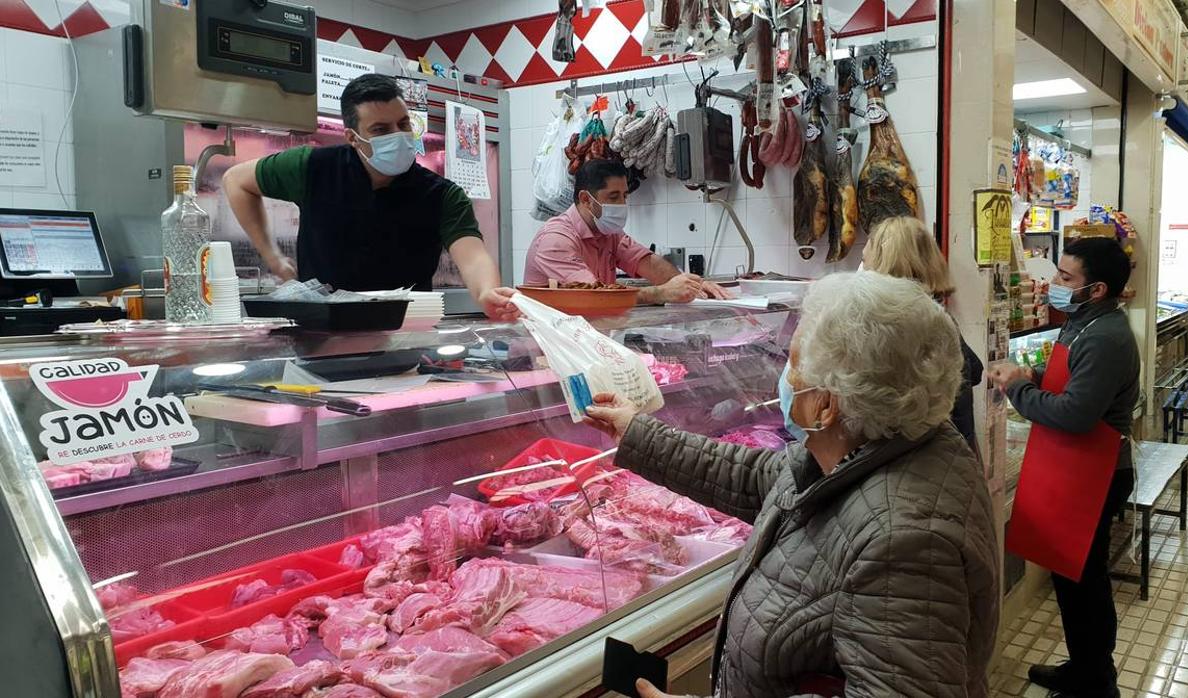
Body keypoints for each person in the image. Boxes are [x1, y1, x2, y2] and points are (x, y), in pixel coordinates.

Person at [585, 272, 999, 698]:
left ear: (827, 406)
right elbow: (757, 477)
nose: (786, 380)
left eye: (795, 367)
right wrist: (636, 432)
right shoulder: (889, 442)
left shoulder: (906, 541)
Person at [222, 74, 517, 321]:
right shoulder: (312, 168)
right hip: (318, 336)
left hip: (404, 337)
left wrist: (486, 293)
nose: (398, 135)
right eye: (381, 129)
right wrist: (272, 256)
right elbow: (236, 181)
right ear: (352, 137)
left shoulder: (441, 195)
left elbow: (473, 256)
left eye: (403, 124)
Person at [987, 237, 1139, 698]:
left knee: (1085, 581)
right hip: (1075, 468)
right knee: (1071, 577)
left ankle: (1096, 681)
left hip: (1097, 473)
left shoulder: (1106, 336)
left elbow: (1076, 414)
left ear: (1096, 289)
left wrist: (1017, 388)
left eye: (1065, 278)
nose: (1054, 284)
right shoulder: (1082, 323)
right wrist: (1036, 379)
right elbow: (1073, 387)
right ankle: (1085, 667)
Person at [524, 159, 729, 304]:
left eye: (624, 196)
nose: (622, 204)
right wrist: (661, 293)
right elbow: (597, 297)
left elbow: (647, 262)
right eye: (613, 197)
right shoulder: (556, 240)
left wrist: (694, 285)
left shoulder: (609, 233)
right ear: (586, 199)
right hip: (546, 351)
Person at [862, 216, 984, 449]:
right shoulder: (934, 314)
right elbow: (974, 370)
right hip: (956, 451)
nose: (862, 270)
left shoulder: (899, 326)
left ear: (885, 264)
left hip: (928, 459)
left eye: (864, 261)